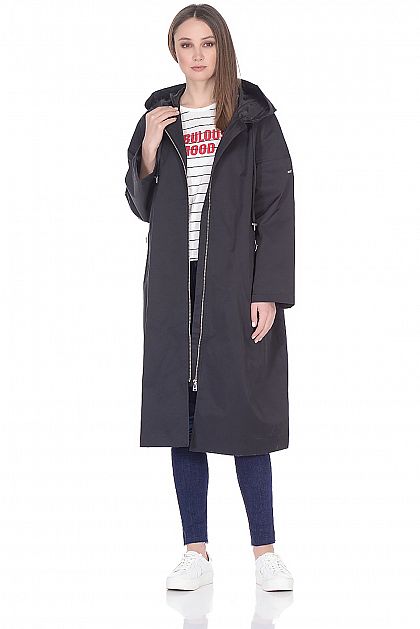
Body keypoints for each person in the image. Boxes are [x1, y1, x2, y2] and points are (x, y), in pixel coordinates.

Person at [125, 4, 295, 592]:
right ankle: (194, 551)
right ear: (173, 50)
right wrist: (150, 145)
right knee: (183, 412)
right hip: (175, 281)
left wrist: (268, 290)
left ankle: (265, 552)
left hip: (234, 280)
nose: (196, 55)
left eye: (207, 43)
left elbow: (277, 206)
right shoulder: (159, 116)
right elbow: (140, 203)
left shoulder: (252, 116)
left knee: (246, 409)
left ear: (223, 47)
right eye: (185, 44)